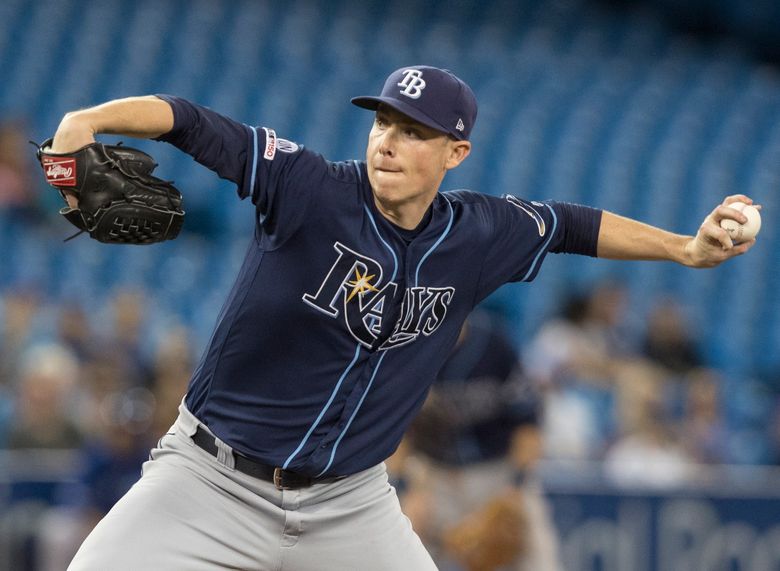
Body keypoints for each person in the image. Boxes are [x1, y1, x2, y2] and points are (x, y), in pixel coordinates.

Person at [46, 65, 757, 570]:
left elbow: (572, 224)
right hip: (210, 483)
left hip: (348, 507)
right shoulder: (309, 189)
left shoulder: (479, 234)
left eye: (413, 131)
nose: (387, 139)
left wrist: (686, 249)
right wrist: (89, 121)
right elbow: (193, 122)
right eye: (383, 121)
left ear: (456, 151)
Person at [389, 310, 562, 570]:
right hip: (433, 477)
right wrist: (404, 488)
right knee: (396, 539)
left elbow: (527, 425)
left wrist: (515, 488)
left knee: (540, 558)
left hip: (498, 473)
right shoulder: (406, 350)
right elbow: (395, 432)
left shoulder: (494, 344)